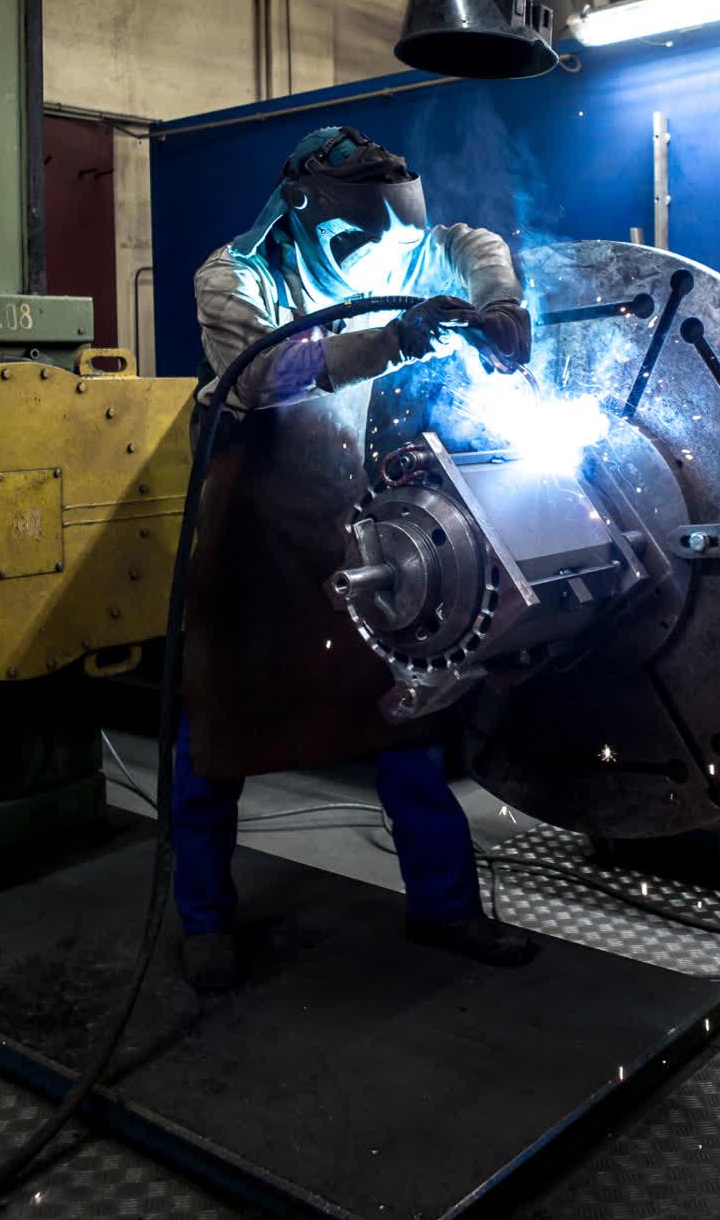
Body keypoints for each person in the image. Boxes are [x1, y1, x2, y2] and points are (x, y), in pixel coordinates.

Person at [174, 125, 536, 991]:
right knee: (217, 728)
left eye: (392, 240)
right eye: (363, 240)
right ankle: (203, 919)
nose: (382, 259)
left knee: (399, 717)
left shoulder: (398, 247)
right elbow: (258, 376)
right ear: (303, 211)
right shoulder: (235, 274)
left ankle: (444, 906)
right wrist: (395, 340)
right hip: (250, 520)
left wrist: (499, 301)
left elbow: (468, 244)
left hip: (346, 507)